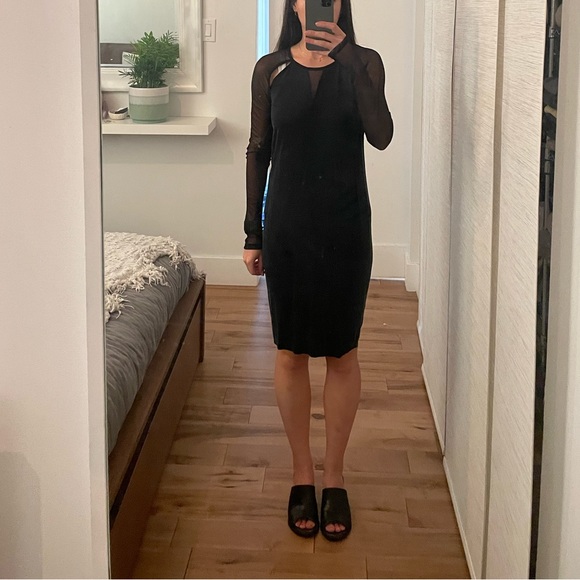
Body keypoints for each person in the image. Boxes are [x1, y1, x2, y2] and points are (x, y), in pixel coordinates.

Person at [242, 0, 393, 542]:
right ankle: (302, 474)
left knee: (342, 353)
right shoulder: (270, 69)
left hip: (346, 228)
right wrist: (253, 232)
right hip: (288, 229)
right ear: (293, 4)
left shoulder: (365, 62)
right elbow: (258, 150)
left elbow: (381, 135)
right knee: (289, 353)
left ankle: (335, 477)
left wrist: (347, 57)